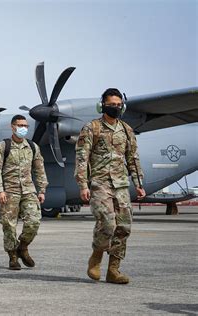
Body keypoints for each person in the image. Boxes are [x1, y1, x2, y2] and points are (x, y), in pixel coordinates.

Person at [75, 88, 145, 284]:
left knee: (124, 227)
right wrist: (83, 185)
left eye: (118, 104)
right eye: (111, 104)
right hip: (100, 183)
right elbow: (82, 158)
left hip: (121, 185)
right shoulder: (92, 128)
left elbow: (132, 158)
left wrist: (139, 183)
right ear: (102, 105)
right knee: (107, 224)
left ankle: (113, 270)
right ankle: (96, 257)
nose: (116, 107)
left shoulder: (126, 130)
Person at [0, 115, 48, 270]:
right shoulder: (3, 146)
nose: (23, 128)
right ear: (12, 127)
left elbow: (39, 169)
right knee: (9, 226)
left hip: (29, 190)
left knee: (34, 222)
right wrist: (0, 190)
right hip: (10, 191)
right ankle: (13, 257)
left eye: (26, 125)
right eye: (20, 125)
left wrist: (42, 190)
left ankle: (22, 247)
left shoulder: (33, 147)